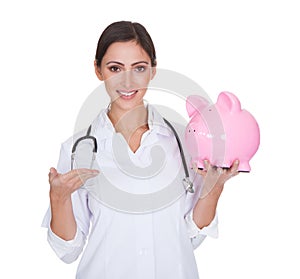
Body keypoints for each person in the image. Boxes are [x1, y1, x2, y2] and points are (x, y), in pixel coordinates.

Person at [42, 21, 239, 279]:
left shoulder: (185, 140)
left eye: (139, 68)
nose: (127, 81)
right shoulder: (79, 149)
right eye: (115, 68)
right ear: (98, 70)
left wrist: (213, 189)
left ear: (153, 71)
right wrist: (58, 198)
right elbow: (68, 250)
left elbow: (191, 235)